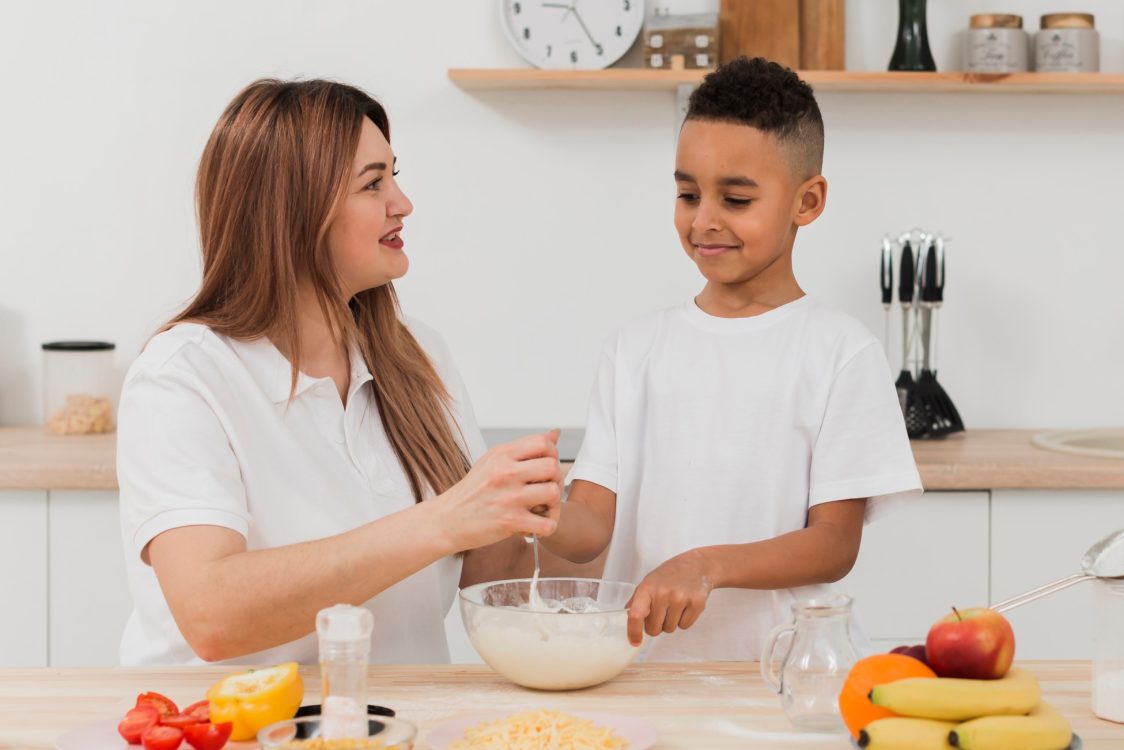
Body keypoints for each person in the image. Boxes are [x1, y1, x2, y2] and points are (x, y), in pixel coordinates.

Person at [116, 79, 562, 666]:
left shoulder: (417, 355)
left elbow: (488, 573)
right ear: (292, 211)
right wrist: (445, 521)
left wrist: (527, 508)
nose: (402, 203)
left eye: (393, 176)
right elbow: (212, 616)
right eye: (373, 184)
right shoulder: (182, 376)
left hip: (395, 714)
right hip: (229, 716)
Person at [538, 58, 922, 661]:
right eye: (687, 194)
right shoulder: (633, 349)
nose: (704, 220)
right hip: (647, 673)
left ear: (807, 201)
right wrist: (542, 513)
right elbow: (589, 526)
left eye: (736, 199)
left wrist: (706, 565)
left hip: (784, 674)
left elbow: (834, 545)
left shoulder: (841, 352)